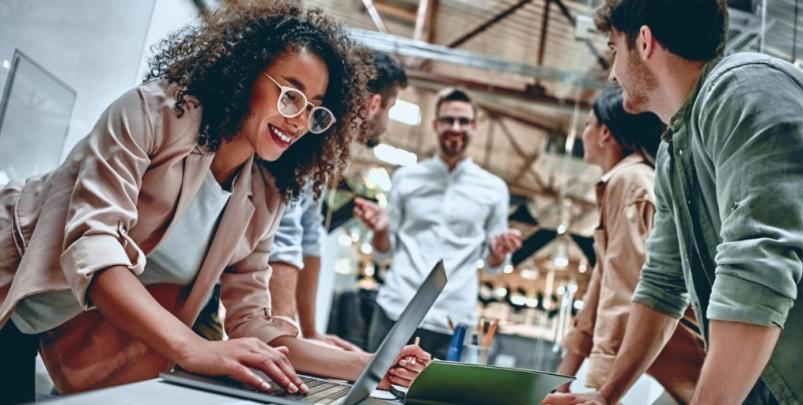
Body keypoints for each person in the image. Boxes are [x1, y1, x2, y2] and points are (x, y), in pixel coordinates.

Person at [0, 3, 428, 403]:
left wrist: (370, 365)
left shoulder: (264, 193)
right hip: (10, 289)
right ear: (245, 74)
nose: (298, 120)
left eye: (314, 109)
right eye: (290, 95)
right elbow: (94, 249)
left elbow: (253, 322)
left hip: (61, 326)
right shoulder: (151, 114)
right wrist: (195, 349)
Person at [545, 1, 803, 404]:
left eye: (615, 49)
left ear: (644, 42)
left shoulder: (746, 90)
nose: (613, 73)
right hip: (761, 380)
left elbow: (758, 269)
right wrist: (605, 396)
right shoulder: (673, 150)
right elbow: (663, 284)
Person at [554, 85, 705, 403]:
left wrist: (600, 386)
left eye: (586, 125)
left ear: (605, 133)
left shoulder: (629, 182)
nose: (583, 133)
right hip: (659, 365)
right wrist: (563, 377)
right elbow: (601, 286)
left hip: (665, 363)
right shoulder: (626, 181)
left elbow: (625, 289)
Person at [354, 87, 523, 360]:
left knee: (440, 400)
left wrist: (499, 252)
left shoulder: (494, 189)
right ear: (435, 124)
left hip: (453, 319)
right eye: (448, 120)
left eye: (464, 121)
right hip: (397, 308)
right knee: (373, 395)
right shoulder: (406, 178)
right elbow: (383, 250)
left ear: (475, 127)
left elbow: (494, 267)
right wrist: (382, 231)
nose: (455, 127)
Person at [266, 50, 408, 351]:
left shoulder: (328, 151)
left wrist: (310, 332)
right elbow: (285, 236)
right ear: (373, 104)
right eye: (391, 108)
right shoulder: (308, 138)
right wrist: (286, 338)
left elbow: (308, 237)